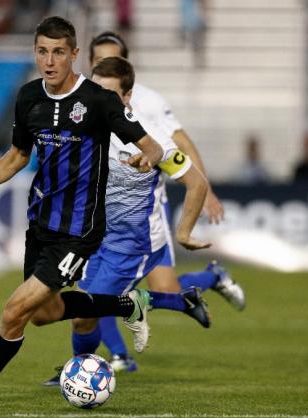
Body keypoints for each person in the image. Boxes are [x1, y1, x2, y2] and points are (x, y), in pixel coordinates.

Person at [0, 16, 211, 407]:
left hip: (79, 230)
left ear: (75, 54)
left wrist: (147, 160)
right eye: (42, 51)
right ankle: (130, 304)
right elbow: (19, 155)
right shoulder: (28, 98)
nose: (50, 60)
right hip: (40, 224)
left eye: (59, 52)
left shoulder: (99, 100)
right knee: (45, 314)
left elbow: (154, 147)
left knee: (14, 312)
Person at [56, 31, 240, 375]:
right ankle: (82, 369)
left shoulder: (151, 137)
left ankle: (93, 364)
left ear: (127, 96)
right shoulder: (80, 124)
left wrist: (184, 232)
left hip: (131, 245)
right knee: (81, 319)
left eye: (108, 94)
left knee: (85, 310)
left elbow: (195, 180)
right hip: (94, 239)